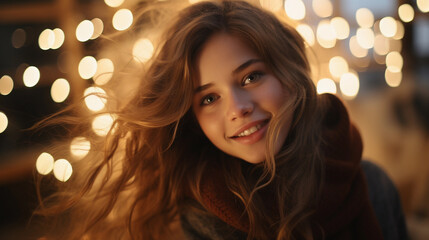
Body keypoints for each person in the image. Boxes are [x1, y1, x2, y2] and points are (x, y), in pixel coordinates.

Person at [37, 1, 408, 239]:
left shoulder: (373, 185)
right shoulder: (208, 220)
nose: (237, 107)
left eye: (251, 77)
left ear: (290, 73)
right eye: (209, 98)